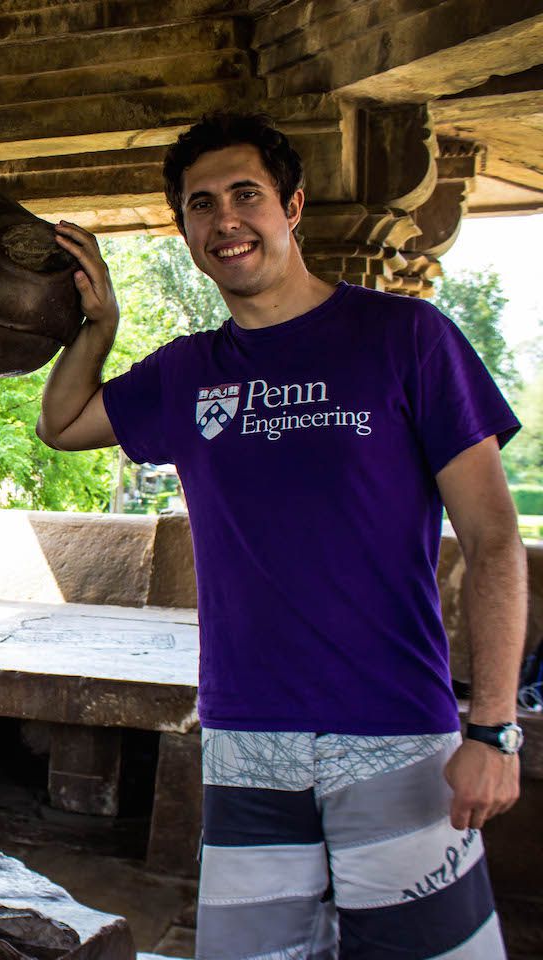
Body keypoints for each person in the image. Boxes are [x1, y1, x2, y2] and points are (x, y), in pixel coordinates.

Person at [35, 112, 525, 958]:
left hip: (397, 734)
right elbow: (65, 422)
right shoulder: (190, 372)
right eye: (201, 204)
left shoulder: (407, 339)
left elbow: (494, 541)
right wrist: (99, 327)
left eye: (246, 195)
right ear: (186, 229)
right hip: (246, 734)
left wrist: (491, 729)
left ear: (292, 207)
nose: (225, 219)